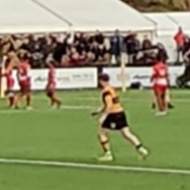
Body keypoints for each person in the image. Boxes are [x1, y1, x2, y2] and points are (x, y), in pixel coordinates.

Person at [91, 74, 149, 161]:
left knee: (102, 133)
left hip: (112, 114)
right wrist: (99, 110)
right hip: (121, 112)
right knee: (126, 133)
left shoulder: (106, 92)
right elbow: (112, 103)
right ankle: (141, 149)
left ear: (101, 81)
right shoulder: (112, 89)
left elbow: (109, 105)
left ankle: (108, 154)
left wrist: (104, 116)